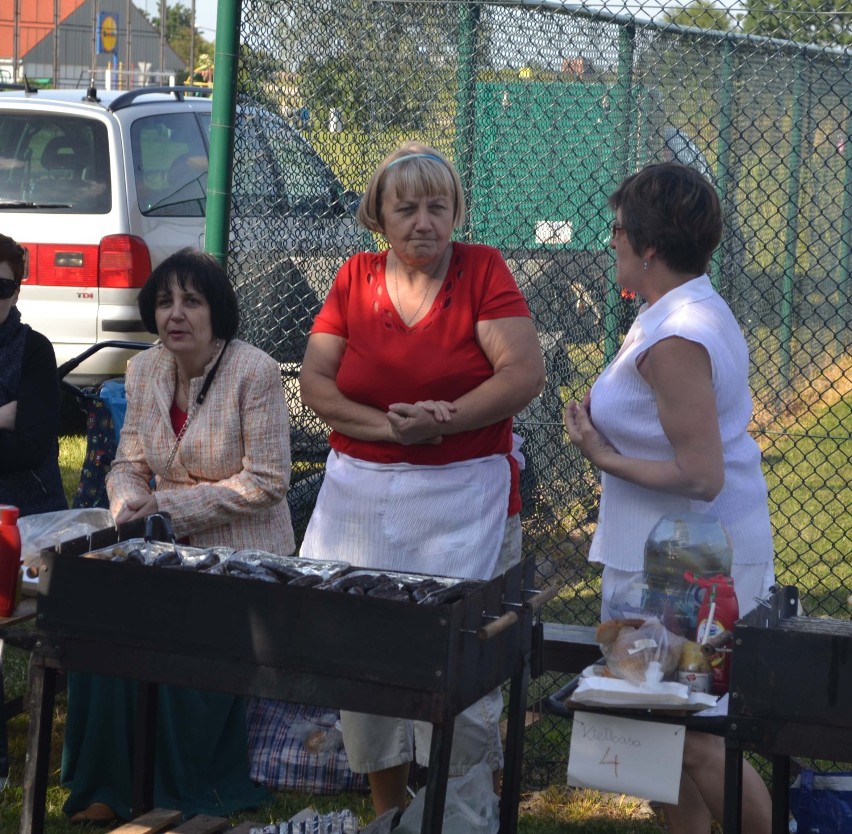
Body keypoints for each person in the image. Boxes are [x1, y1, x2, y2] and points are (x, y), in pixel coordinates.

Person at [298, 142, 545, 817]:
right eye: (406, 208)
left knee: (466, 666)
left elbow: (522, 373)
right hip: (363, 501)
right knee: (366, 657)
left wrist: (448, 421)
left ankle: (461, 811)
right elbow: (317, 381)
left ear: (456, 212)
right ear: (379, 216)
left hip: (469, 504)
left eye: (438, 206)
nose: (423, 222)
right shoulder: (353, 278)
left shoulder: (482, 271)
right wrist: (389, 430)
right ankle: (388, 812)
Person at [563, 162, 774, 834]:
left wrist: (601, 456)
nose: (612, 243)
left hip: (689, 567)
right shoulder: (676, 311)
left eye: (618, 231)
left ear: (649, 246)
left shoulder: (679, 336)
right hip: (667, 557)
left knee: (700, 740)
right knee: (659, 743)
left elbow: (701, 474)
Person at [61, 248, 294, 823]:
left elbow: (266, 481)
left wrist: (163, 507)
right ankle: (105, 785)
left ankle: (181, 785)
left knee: (178, 632)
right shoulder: (145, 370)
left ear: (217, 310)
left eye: (192, 300)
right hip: (160, 551)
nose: (176, 314)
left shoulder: (255, 370)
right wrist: (126, 505)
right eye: (165, 301)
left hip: (245, 559)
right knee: (95, 626)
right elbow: (127, 464)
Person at [0, 233, 67, 517]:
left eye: (1, 287)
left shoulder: (35, 349)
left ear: (16, 293)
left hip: (29, 516)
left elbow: (30, 449)